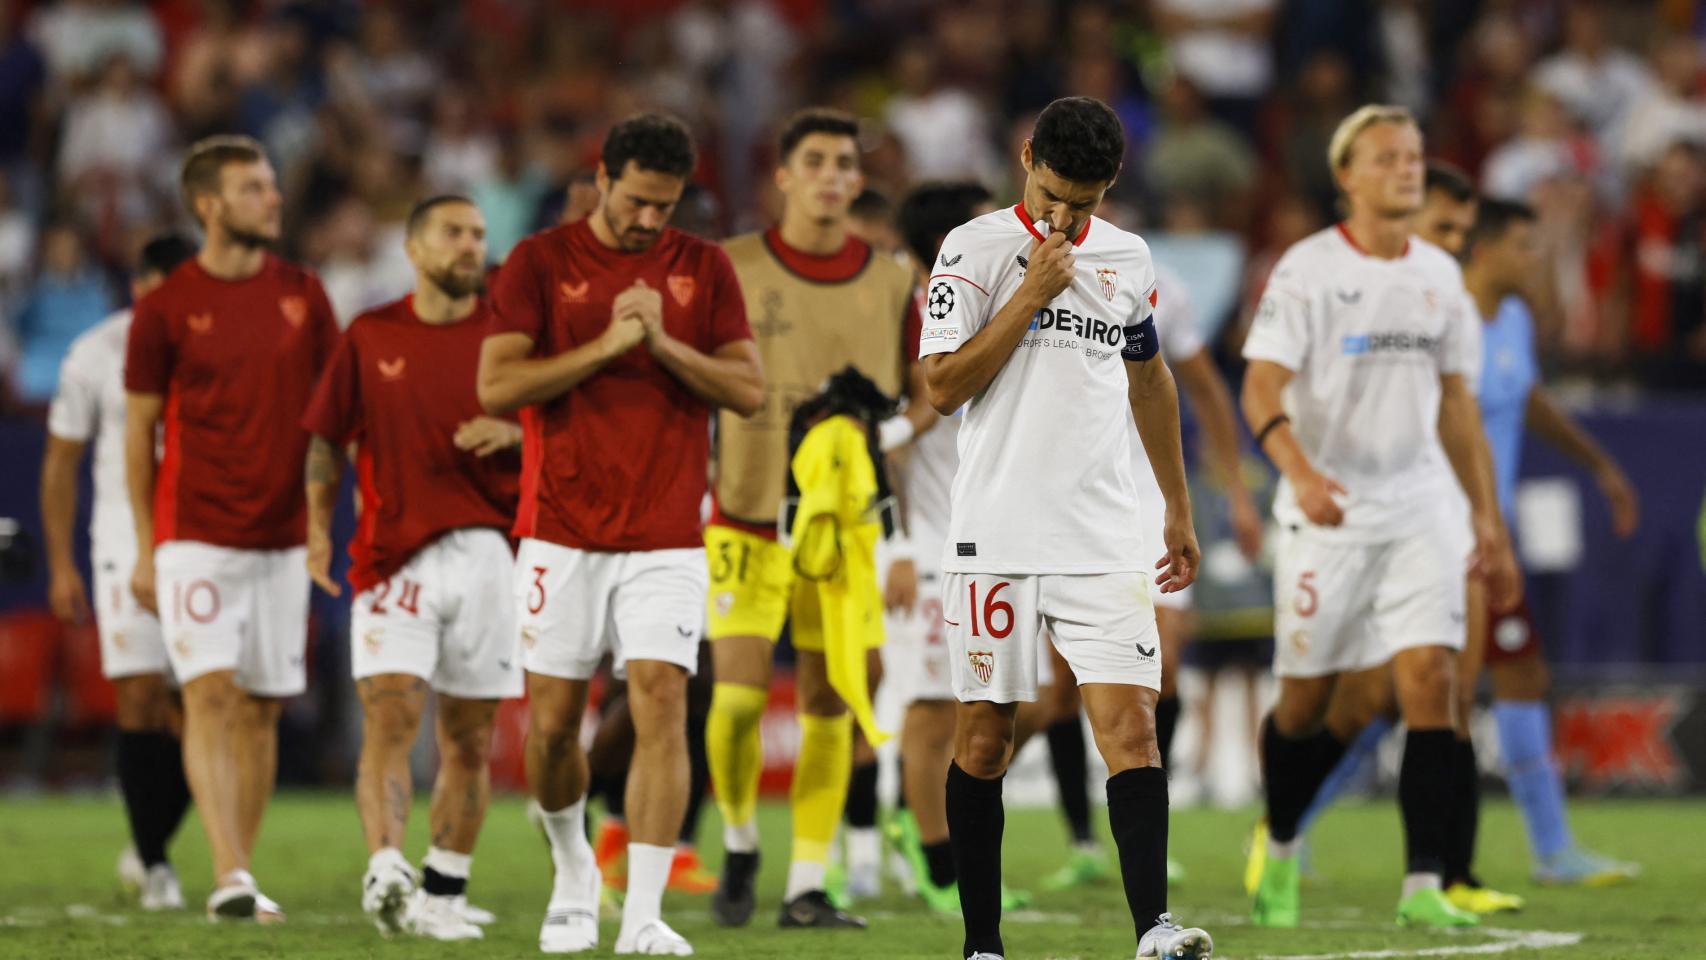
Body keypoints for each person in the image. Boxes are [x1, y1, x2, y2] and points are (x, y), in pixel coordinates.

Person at [920, 95, 1213, 960]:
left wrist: (1177, 506)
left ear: (1110, 187)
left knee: (1132, 729)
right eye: (1051, 195)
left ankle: (1154, 930)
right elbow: (942, 387)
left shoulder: (1127, 258)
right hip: (993, 537)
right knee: (985, 737)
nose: (1064, 217)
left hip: (1102, 537)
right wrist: (1031, 294)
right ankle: (983, 945)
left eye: (1083, 203)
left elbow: (1150, 380)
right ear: (1025, 159)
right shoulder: (971, 249)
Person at [477, 113, 763, 956]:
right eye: (637, 201)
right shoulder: (541, 262)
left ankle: (643, 913)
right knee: (556, 727)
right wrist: (606, 344)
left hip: (669, 531)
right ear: (602, 177)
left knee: (663, 706)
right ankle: (573, 871)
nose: (649, 221)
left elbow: (747, 391)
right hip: (560, 529)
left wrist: (666, 342)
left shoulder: (702, 267)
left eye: (665, 206)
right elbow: (498, 385)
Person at [1241, 105, 1520, 931]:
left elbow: (1458, 405)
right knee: (1304, 703)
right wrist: (1302, 473)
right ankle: (1281, 840)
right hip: (1324, 511)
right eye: (1388, 157)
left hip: (1418, 505)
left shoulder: (1440, 277)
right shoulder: (1307, 270)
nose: (1406, 167)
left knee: (1433, 680)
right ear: (1347, 177)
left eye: (1414, 155)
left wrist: (1486, 520)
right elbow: (1261, 386)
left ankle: (1423, 886)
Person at [702, 108, 935, 930]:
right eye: (818, 161)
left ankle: (807, 882)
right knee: (731, 704)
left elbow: (930, 384)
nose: (836, 174)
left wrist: (887, 439)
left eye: (847, 162)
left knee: (830, 701)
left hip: (844, 532)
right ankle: (736, 838)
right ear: (785, 176)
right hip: (745, 514)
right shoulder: (729, 267)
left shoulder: (892, 279)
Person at [123, 135, 339, 922]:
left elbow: (330, 422)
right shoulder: (166, 308)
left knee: (262, 707)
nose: (273, 198)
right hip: (197, 534)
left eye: (272, 184)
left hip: (281, 537)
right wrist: (148, 546)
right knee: (210, 694)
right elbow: (138, 435)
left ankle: (239, 866)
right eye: (254, 188)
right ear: (209, 205)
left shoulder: (305, 295)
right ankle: (230, 874)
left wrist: (319, 523)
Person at [302, 195, 522, 941]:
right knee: (390, 719)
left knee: (469, 739)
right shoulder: (370, 333)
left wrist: (516, 433)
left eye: (478, 234)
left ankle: (444, 894)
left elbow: (563, 431)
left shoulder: (511, 336)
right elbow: (327, 437)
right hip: (394, 557)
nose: (470, 246)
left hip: (492, 554)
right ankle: (388, 867)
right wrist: (315, 529)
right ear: (414, 249)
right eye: (454, 234)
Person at [1038, 260, 1265, 894]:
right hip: (1061, 498)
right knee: (1059, 684)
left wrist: (1239, 496)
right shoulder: (1019, 267)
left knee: (1161, 667)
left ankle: (1144, 839)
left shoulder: (1154, 278)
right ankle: (1083, 841)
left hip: (1144, 494)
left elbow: (1204, 387)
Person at [41, 230, 197, 911]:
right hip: (119, 542)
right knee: (138, 699)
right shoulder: (96, 352)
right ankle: (158, 863)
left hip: (204, 542)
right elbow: (60, 464)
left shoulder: (218, 348)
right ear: (140, 289)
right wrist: (59, 565)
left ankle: (147, 840)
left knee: (209, 710)